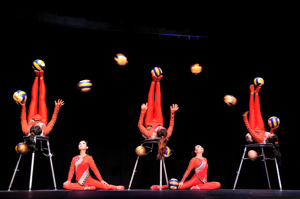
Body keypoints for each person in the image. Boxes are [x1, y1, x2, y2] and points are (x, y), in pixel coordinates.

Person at [138, 74, 179, 158]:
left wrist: (143, 111)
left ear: (157, 131)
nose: (162, 128)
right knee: (157, 103)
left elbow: (139, 125)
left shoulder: (149, 134)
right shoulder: (167, 134)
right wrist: (172, 113)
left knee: (150, 103)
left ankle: (153, 81)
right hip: (159, 121)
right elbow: (171, 125)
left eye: (161, 128)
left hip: (148, 122)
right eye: (163, 128)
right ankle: (158, 82)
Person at [17, 69, 64, 136]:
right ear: (42, 130)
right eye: (41, 125)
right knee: (42, 99)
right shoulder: (45, 131)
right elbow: (52, 121)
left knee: (34, 99)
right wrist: (57, 108)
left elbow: (23, 120)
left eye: (38, 124)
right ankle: (41, 77)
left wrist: (23, 106)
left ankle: (36, 77)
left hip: (31, 118)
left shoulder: (26, 130)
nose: (39, 123)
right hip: (43, 117)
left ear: (31, 127)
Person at [151, 145, 221, 190]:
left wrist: (205, 182)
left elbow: (205, 172)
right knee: (177, 187)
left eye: (201, 147)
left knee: (218, 184)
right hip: (195, 180)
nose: (201, 147)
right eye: (198, 147)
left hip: (203, 183)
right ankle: (161, 186)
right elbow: (188, 171)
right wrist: (182, 181)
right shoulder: (194, 159)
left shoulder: (205, 159)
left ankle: (198, 188)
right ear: (195, 151)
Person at [243, 84, 281, 165]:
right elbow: (271, 131)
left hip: (253, 128)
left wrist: (245, 118)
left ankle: (251, 93)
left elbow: (250, 130)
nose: (269, 134)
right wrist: (273, 128)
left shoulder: (260, 140)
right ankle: (256, 93)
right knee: (258, 111)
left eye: (270, 135)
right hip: (261, 127)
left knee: (252, 111)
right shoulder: (271, 136)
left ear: (269, 139)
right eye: (271, 134)